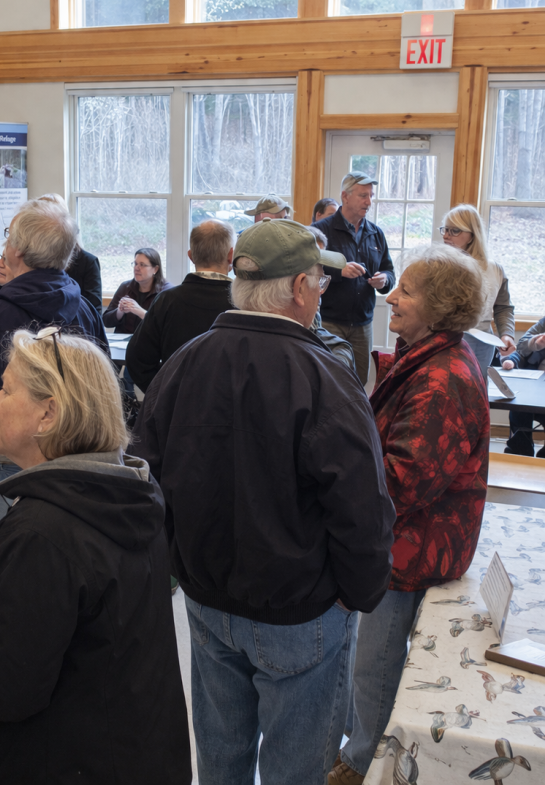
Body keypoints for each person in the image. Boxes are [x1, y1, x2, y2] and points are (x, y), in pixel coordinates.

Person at [132, 218, 396, 785]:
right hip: (300, 611)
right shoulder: (327, 376)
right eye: (319, 285)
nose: (321, 294)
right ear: (301, 288)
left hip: (207, 602)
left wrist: (180, 565)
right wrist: (360, 593)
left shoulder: (182, 364)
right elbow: (363, 507)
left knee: (220, 759)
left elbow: (145, 481)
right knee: (294, 770)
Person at [0, 329, 192, 784]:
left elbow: (2, 689)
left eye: (7, 389)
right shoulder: (131, 493)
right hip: (135, 748)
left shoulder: (39, 535)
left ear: (48, 413)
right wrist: (7, 613)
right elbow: (97, 619)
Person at [329, 244, 490, 785]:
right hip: (409, 539)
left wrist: (331, 490)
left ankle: (363, 764)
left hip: (412, 547)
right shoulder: (427, 358)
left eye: (407, 291)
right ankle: (362, 750)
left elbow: (404, 481)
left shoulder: (442, 379)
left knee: (374, 665)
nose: (391, 296)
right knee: (368, 661)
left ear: (440, 307)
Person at [0, 197, 108, 547]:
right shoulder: (85, 308)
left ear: (16, 251)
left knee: (5, 561)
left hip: (13, 459)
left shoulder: (5, 317)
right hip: (74, 455)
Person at [125, 219, 234, 392]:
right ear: (231, 256)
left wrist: (163, 395)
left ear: (190, 256)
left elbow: (137, 360)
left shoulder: (166, 301)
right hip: (228, 413)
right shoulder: (243, 305)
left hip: (173, 409)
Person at [314, 171, 396, 385]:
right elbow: (307, 272)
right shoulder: (320, 231)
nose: (369, 202)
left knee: (359, 383)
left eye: (371, 195)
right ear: (345, 196)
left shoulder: (376, 233)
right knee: (328, 381)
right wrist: (338, 272)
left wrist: (384, 280)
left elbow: (389, 271)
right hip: (329, 322)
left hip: (363, 324)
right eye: (363, 195)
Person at [440, 204, 516, 365]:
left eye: (454, 230)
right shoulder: (437, 267)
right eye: (445, 229)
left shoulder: (495, 269)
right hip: (446, 340)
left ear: (472, 235)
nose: (446, 235)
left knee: (479, 388)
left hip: (483, 344)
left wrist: (506, 334)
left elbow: (503, 307)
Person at [307, 225, 357, 374]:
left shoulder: (315, 285)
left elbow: (314, 330)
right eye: (316, 264)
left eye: (322, 265)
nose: (321, 271)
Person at [502, 315, 545, 457]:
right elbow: (521, 347)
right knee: (519, 407)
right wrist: (536, 343)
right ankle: (520, 450)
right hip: (534, 388)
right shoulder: (543, 323)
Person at [103, 247, 170, 334]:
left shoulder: (166, 292)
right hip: (122, 342)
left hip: (151, 342)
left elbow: (166, 327)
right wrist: (119, 311)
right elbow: (106, 321)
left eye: (142, 265)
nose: (136, 268)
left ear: (155, 269)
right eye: (135, 264)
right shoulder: (125, 287)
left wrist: (140, 312)